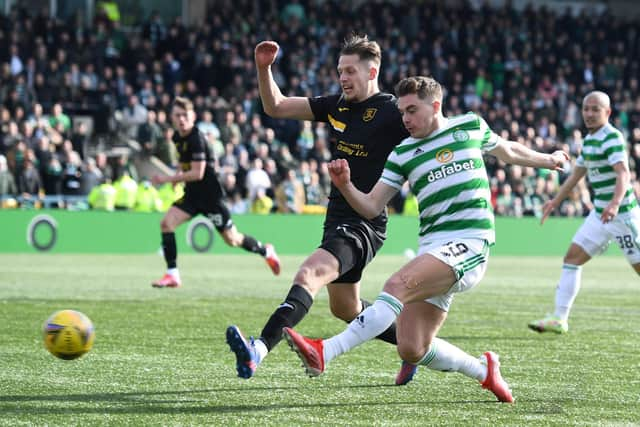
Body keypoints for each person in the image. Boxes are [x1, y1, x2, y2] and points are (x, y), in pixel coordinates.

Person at [282, 76, 568, 402]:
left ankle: (325, 351)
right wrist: (346, 185)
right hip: (434, 248)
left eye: (412, 110)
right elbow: (372, 205)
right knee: (412, 346)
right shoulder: (403, 152)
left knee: (395, 286)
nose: (405, 119)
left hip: (470, 241)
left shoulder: (469, 127)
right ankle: (483, 371)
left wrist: (549, 159)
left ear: (435, 106)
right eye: (402, 111)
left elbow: (508, 151)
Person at [226, 34, 413, 383]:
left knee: (307, 275)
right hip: (337, 217)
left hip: (365, 221)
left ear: (372, 71)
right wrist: (263, 68)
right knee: (346, 309)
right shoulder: (336, 106)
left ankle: (258, 349)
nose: (342, 78)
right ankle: (414, 343)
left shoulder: (391, 111)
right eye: (340, 70)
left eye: (350, 71)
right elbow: (276, 106)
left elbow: (429, 132)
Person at [528, 91, 640, 334]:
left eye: (595, 109)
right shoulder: (589, 141)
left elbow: (623, 174)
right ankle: (559, 318)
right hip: (600, 215)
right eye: (586, 109)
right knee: (572, 259)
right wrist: (554, 201)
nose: (589, 114)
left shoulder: (611, 137)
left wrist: (615, 203)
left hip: (623, 216)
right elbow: (576, 175)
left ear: (607, 112)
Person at [151, 97, 281, 288]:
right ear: (172, 117)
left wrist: (168, 179)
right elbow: (184, 161)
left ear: (193, 116)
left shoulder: (197, 138)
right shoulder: (178, 137)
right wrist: (178, 173)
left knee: (232, 239)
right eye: (177, 115)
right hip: (192, 197)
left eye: (185, 115)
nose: (181, 119)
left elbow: (198, 173)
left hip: (210, 199)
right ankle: (173, 274)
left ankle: (266, 251)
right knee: (166, 224)